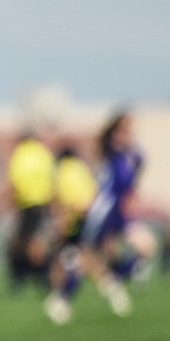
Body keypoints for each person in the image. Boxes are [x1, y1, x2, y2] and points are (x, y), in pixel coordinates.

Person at [43, 144, 131, 324]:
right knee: (84, 260)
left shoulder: (63, 172)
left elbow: (66, 202)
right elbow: (93, 195)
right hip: (94, 218)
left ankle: (61, 300)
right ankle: (62, 300)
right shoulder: (82, 169)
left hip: (78, 221)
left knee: (80, 261)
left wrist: (62, 222)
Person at [83, 110, 155, 284]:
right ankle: (63, 297)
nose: (127, 133)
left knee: (147, 245)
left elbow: (134, 177)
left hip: (123, 210)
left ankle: (124, 273)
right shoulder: (111, 152)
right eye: (123, 129)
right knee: (93, 253)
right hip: (107, 208)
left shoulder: (134, 155)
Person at [5, 132, 55, 293]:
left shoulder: (20, 154)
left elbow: (15, 181)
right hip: (44, 203)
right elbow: (52, 178)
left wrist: (12, 203)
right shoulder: (43, 153)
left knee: (24, 244)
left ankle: (31, 278)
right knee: (34, 242)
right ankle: (37, 278)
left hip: (27, 204)